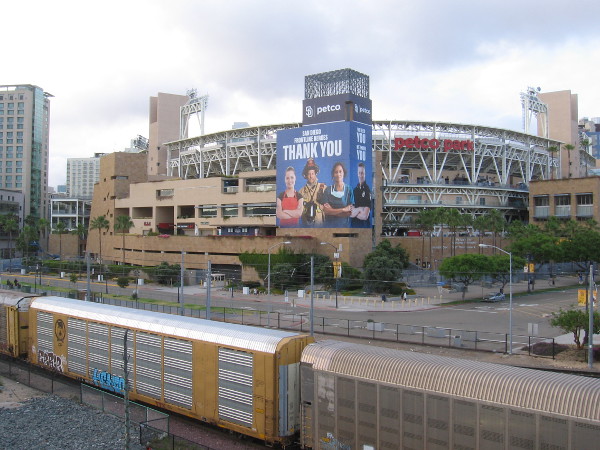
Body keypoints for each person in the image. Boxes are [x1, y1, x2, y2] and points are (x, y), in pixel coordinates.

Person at [318, 162, 354, 227]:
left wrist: (332, 210)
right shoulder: (328, 190)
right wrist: (343, 210)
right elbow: (326, 211)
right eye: (336, 172)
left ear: (343, 173)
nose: (338, 174)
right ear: (333, 174)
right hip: (329, 227)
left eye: (340, 171)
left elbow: (349, 213)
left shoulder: (349, 190)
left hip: (344, 228)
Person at [298, 158, 325, 226]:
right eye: (309, 174)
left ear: (316, 174)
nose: (311, 176)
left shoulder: (323, 188)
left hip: (320, 226)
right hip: (306, 226)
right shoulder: (301, 192)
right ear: (306, 176)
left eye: (312, 173)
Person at [350, 162, 372, 227]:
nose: (360, 175)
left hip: (364, 228)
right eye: (359, 173)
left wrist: (355, 211)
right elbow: (350, 213)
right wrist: (360, 209)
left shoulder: (367, 190)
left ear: (365, 174)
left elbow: (365, 216)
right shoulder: (354, 190)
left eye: (362, 173)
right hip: (353, 227)